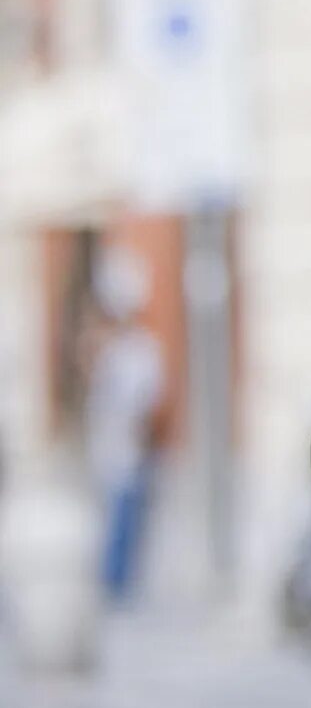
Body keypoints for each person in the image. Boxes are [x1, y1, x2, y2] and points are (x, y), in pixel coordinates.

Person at [85, 248, 164, 605]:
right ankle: (114, 587)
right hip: (112, 448)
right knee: (113, 524)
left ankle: (119, 589)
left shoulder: (139, 350)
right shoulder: (112, 350)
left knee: (124, 525)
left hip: (129, 450)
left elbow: (145, 405)